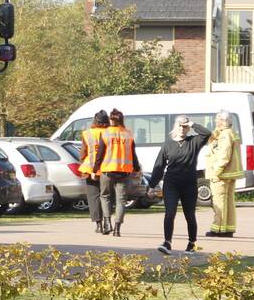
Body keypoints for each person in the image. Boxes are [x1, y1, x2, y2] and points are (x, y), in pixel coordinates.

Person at [148, 115, 210, 255]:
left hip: (189, 184)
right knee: (170, 212)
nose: (183, 129)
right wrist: (151, 185)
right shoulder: (167, 145)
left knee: (190, 215)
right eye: (180, 126)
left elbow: (207, 133)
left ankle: (191, 243)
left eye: (185, 126)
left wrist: (192, 124)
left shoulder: (194, 141)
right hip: (171, 183)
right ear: (175, 127)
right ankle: (167, 242)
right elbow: (159, 166)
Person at [93, 109, 141, 237]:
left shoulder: (106, 133)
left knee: (105, 196)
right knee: (121, 200)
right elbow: (133, 154)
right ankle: (117, 229)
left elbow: (100, 154)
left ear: (111, 119)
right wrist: (136, 168)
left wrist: (95, 169)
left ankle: (107, 222)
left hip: (107, 170)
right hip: (124, 172)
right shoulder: (128, 134)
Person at [205, 110, 242, 238]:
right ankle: (228, 229)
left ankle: (217, 229)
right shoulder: (229, 132)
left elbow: (224, 155)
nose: (215, 121)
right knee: (228, 202)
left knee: (219, 202)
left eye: (217, 119)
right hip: (228, 174)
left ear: (223, 120)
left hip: (221, 174)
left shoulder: (225, 134)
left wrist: (216, 172)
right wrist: (216, 131)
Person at [78, 110, 110, 233]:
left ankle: (98, 225)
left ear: (95, 121)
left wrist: (83, 166)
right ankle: (108, 222)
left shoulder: (87, 134)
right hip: (107, 169)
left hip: (90, 169)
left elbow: (83, 153)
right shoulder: (110, 133)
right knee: (106, 196)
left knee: (93, 197)